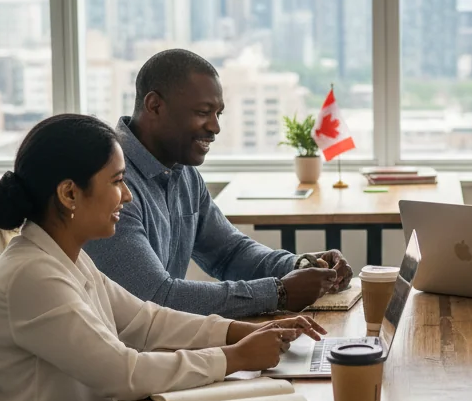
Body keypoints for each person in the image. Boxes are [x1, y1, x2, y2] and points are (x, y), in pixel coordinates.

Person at [0, 113, 323, 401]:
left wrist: (241, 331)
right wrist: (236, 357)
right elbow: (124, 373)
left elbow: (147, 321)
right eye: (117, 181)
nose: (127, 196)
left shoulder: (64, 257)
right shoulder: (32, 275)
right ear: (70, 193)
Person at [86, 49, 352, 317]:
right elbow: (154, 298)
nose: (215, 127)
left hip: (160, 345)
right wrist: (279, 292)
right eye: (203, 112)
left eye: (218, 114)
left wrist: (300, 265)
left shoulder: (184, 173)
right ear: (155, 105)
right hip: (125, 352)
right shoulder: (108, 182)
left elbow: (229, 253)